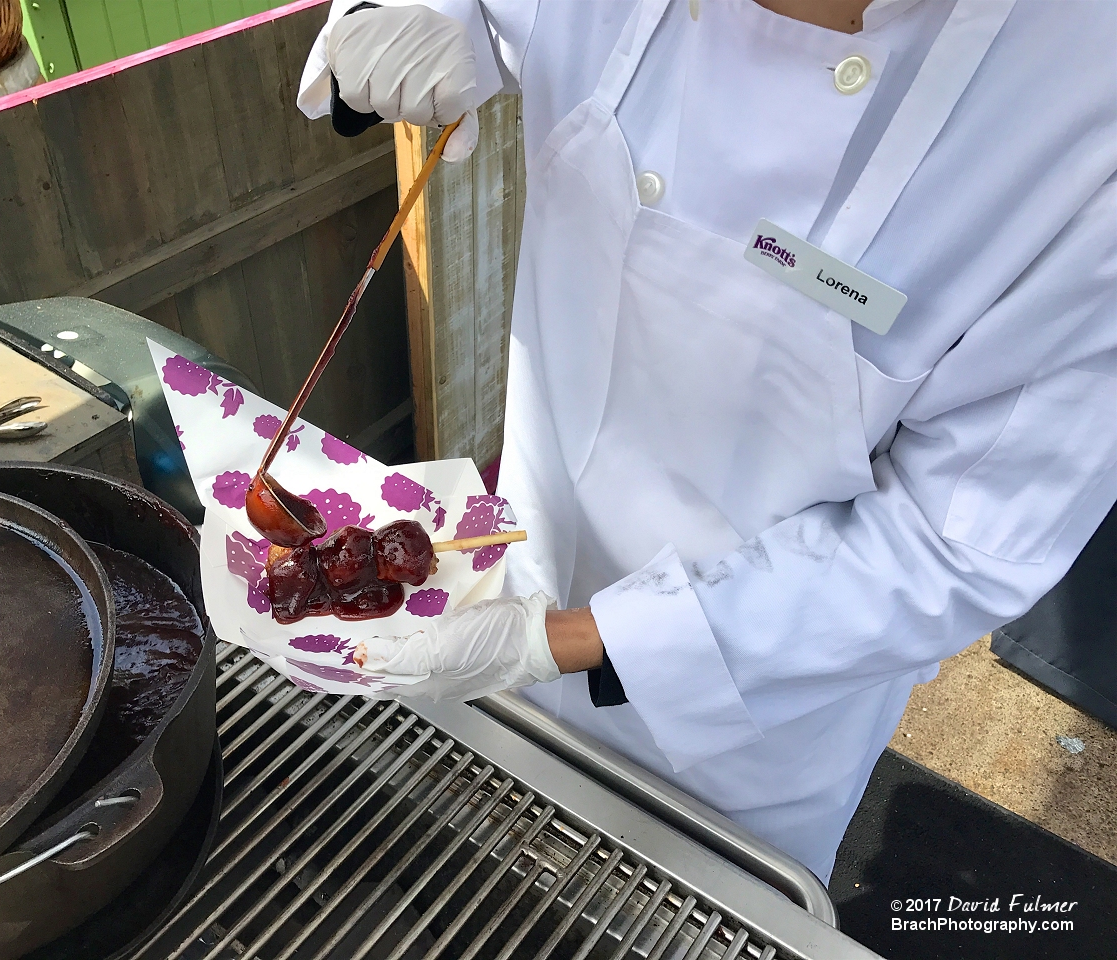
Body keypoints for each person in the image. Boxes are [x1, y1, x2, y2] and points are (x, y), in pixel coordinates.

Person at [297, 0, 1117, 884]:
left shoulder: (1081, 109)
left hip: (752, 731)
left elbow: (961, 540)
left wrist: (570, 641)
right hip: (515, 561)